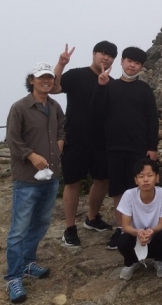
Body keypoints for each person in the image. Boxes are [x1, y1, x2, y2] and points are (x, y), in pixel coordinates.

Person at [4, 62, 65, 303]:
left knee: (40, 223)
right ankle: (13, 277)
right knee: (18, 230)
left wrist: (61, 142)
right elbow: (12, 139)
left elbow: (62, 127)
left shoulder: (54, 106)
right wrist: (31, 155)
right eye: (41, 78)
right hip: (27, 179)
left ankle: (28, 263)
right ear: (32, 80)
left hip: (50, 178)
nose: (46, 81)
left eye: (49, 77)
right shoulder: (19, 108)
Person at [92, 46, 159, 250]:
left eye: (137, 63)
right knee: (118, 190)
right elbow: (96, 111)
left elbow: (152, 119)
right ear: (121, 61)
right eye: (129, 60)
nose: (132, 65)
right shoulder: (109, 86)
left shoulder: (145, 89)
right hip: (114, 147)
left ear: (141, 67)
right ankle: (121, 229)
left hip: (139, 148)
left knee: (140, 189)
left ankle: (142, 229)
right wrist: (101, 87)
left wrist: (152, 147)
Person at [52, 41, 118, 247]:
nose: (105, 58)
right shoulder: (76, 74)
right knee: (73, 182)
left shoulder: (112, 83)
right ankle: (70, 228)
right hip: (76, 138)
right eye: (102, 53)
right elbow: (54, 88)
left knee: (102, 179)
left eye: (110, 55)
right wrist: (61, 64)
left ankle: (92, 218)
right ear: (94, 54)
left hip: (101, 140)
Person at [116, 159, 162, 280]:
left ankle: (159, 261)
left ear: (157, 177)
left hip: (154, 236)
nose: (146, 180)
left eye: (150, 175)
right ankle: (131, 262)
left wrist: (151, 232)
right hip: (135, 236)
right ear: (136, 180)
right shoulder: (129, 195)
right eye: (141, 176)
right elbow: (125, 226)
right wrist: (138, 233)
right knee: (122, 240)